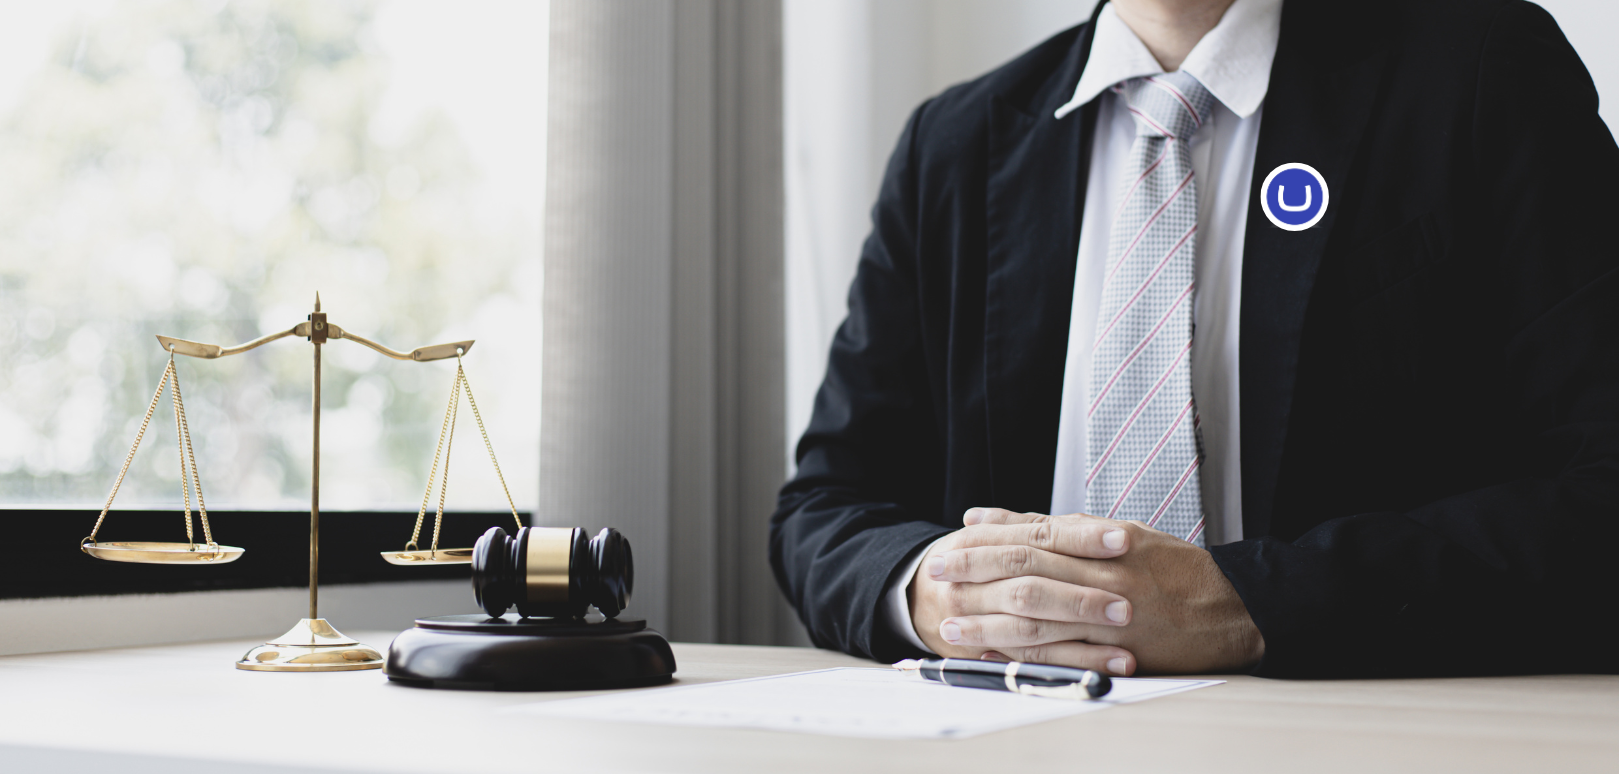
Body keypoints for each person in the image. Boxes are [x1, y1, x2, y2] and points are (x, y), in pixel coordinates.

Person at [769, 0, 1619, 679]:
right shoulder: (952, 146)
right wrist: (933, 591)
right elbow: (824, 509)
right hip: (1020, 737)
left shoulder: (1479, 71)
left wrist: (1249, 601)